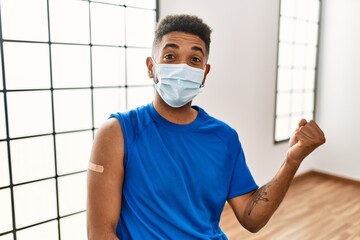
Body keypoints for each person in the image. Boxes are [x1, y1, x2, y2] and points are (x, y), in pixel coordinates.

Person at [87, 14, 326, 239]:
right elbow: (101, 233)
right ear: (151, 67)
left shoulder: (224, 138)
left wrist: (291, 161)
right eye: (170, 57)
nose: (182, 68)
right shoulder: (118, 132)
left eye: (194, 60)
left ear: (204, 73)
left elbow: (251, 218)